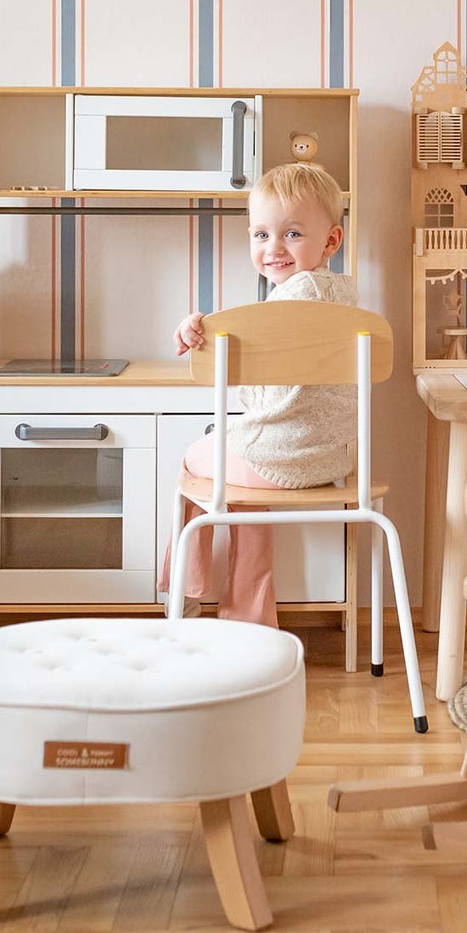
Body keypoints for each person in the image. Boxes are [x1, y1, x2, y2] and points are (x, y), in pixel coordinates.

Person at [158, 162, 356, 626]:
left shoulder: (293, 296)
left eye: (291, 234)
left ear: (330, 241)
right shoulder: (344, 296)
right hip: (331, 460)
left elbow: (243, 360)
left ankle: (183, 592)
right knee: (246, 490)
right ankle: (247, 616)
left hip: (278, 459)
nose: (273, 249)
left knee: (193, 459)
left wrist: (201, 330)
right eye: (261, 235)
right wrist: (218, 330)